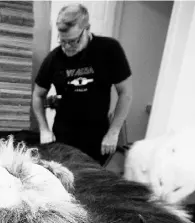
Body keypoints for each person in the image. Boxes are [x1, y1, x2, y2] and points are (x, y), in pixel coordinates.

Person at [32, 3, 133, 165]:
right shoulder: (54, 58)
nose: (66, 47)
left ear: (87, 28)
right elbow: (38, 95)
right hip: (63, 137)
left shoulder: (109, 50)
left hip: (97, 137)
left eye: (73, 41)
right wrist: (44, 129)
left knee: (91, 183)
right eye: (62, 41)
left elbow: (126, 93)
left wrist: (113, 132)